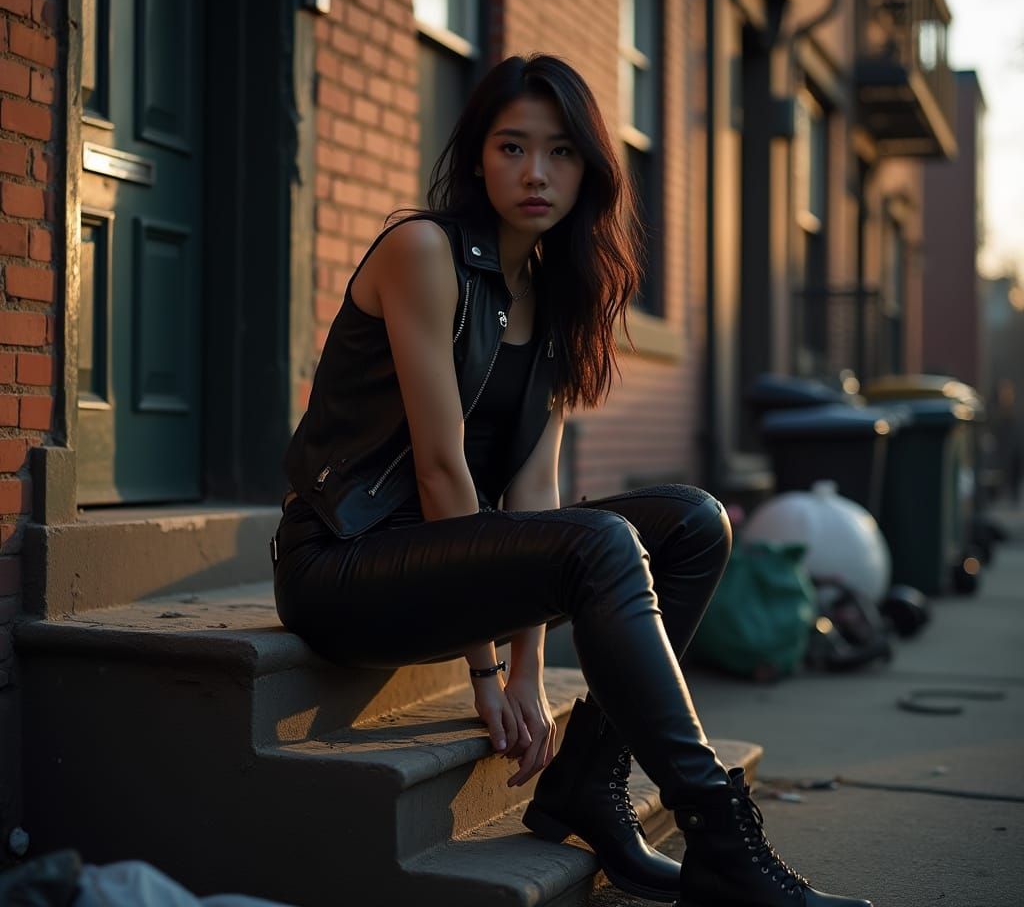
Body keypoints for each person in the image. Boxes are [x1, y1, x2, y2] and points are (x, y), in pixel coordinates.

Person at [273, 54, 871, 907]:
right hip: (343, 562)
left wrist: (530, 668)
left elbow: (531, 488)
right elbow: (443, 471)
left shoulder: (558, 292)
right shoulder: (423, 251)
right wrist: (488, 674)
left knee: (697, 520)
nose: (536, 174)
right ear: (478, 156)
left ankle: (590, 779)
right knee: (601, 541)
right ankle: (721, 833)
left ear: (588, 166)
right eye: (512, 148)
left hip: (454, 564)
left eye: (559, 153)